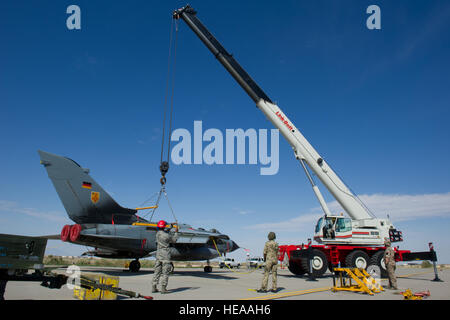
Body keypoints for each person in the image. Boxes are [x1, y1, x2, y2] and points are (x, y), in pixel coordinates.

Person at [152, 220, 179, 294]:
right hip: (165, 254)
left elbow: (164, 230)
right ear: (164, 227)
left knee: (157, 271)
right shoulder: (167, 235)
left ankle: (154, 288)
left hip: (158, 253)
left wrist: (170, 226)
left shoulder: (157, 234)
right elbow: (174, 240)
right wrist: (176, 232)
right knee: (165, 272)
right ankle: (163, 289)